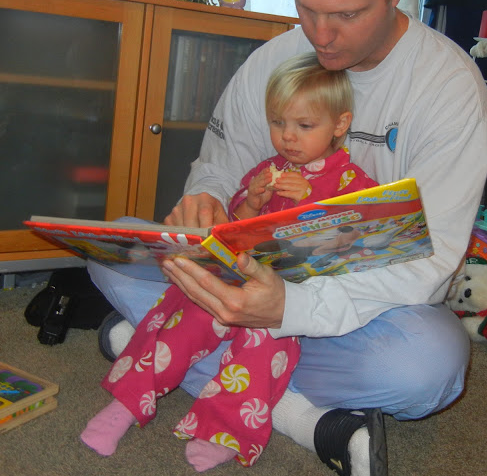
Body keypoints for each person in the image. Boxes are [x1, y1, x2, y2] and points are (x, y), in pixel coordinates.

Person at [88, 0, 487, 476]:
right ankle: (296, 408)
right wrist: (204, 199)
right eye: (306, 8)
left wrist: (290, 308)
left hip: (369, 306)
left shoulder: (449, 89)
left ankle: (156, 347)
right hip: (252, 276)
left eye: (346, 14)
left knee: (429, 368)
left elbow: (424, 263)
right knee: (112, 249)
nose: (320, 35)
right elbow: (220, 164)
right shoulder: (277, 59)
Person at [82, 53, 378, 471]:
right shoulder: (268, 169)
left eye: (304, 126)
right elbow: (235, 228)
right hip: (239, 278)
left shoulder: (352, 182)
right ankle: (128, 401)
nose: (288, 137)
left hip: (289, 299)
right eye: (277, 122)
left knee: (262, 349)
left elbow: (357, 238)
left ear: (340, 124)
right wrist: (251, 203)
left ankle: (222, 428)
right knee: (187, 314)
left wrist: (312, 201)